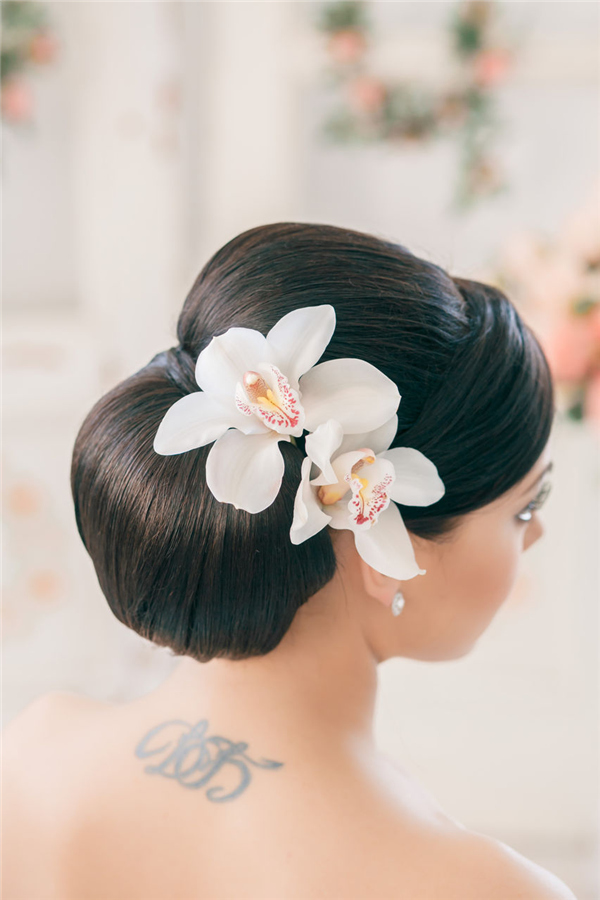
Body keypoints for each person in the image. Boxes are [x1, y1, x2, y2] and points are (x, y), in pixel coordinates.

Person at [3, 223, 576, 900]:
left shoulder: (34, 755)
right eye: (521, 508)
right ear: (381, 536)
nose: (534, 536)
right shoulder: (485, 890)